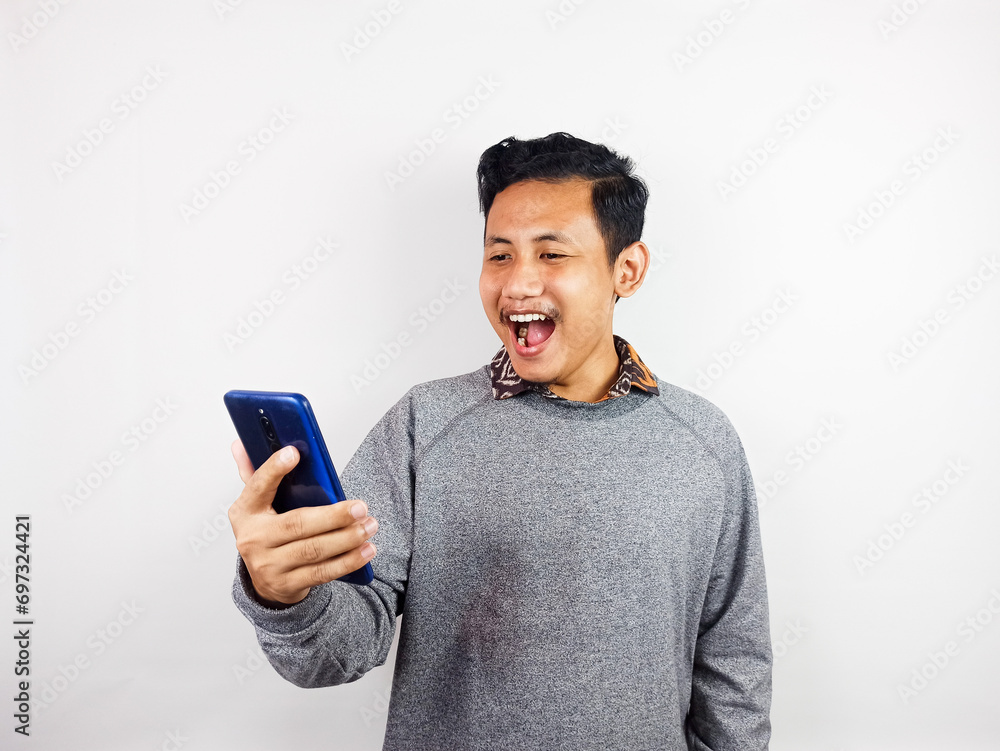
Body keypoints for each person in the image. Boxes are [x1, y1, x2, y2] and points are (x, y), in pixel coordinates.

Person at [228, 132, 772, 750]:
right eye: (500, 255)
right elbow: (339, 650)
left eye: (551, 254)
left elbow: (734, 668)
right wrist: (284, 594)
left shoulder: (703, 441)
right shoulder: (424, 425)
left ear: (627, 269)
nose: (517, 285)